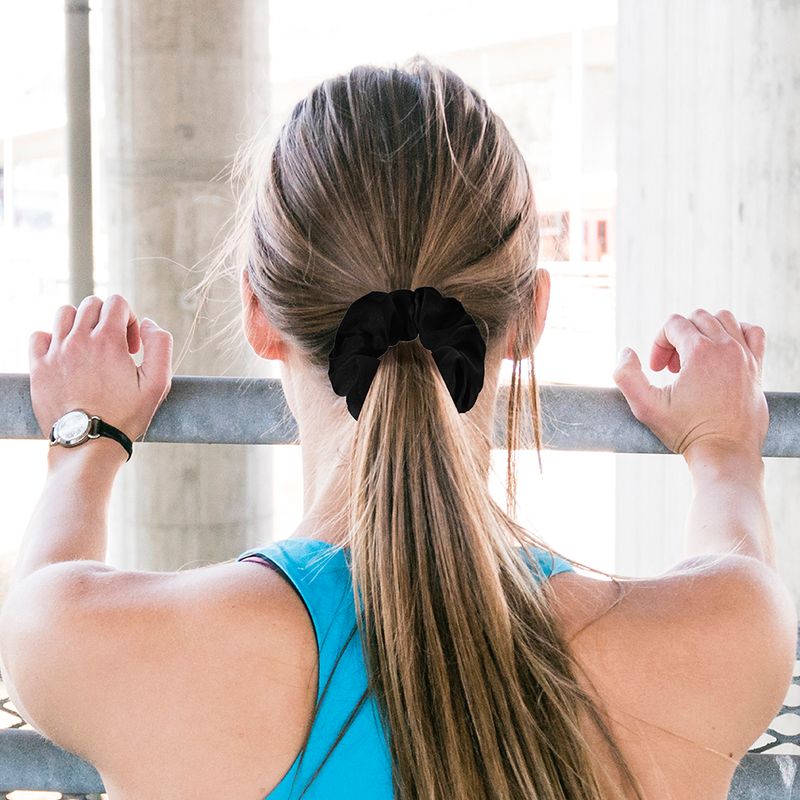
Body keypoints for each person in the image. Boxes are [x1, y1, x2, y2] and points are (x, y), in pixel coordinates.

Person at [0, 56, 796, 800]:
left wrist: (87, 440)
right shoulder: (725, 640)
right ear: (530, 316)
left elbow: (41, 594)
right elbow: (740, 566)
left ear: (257, 313)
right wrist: (725, 452)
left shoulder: (115, 651)